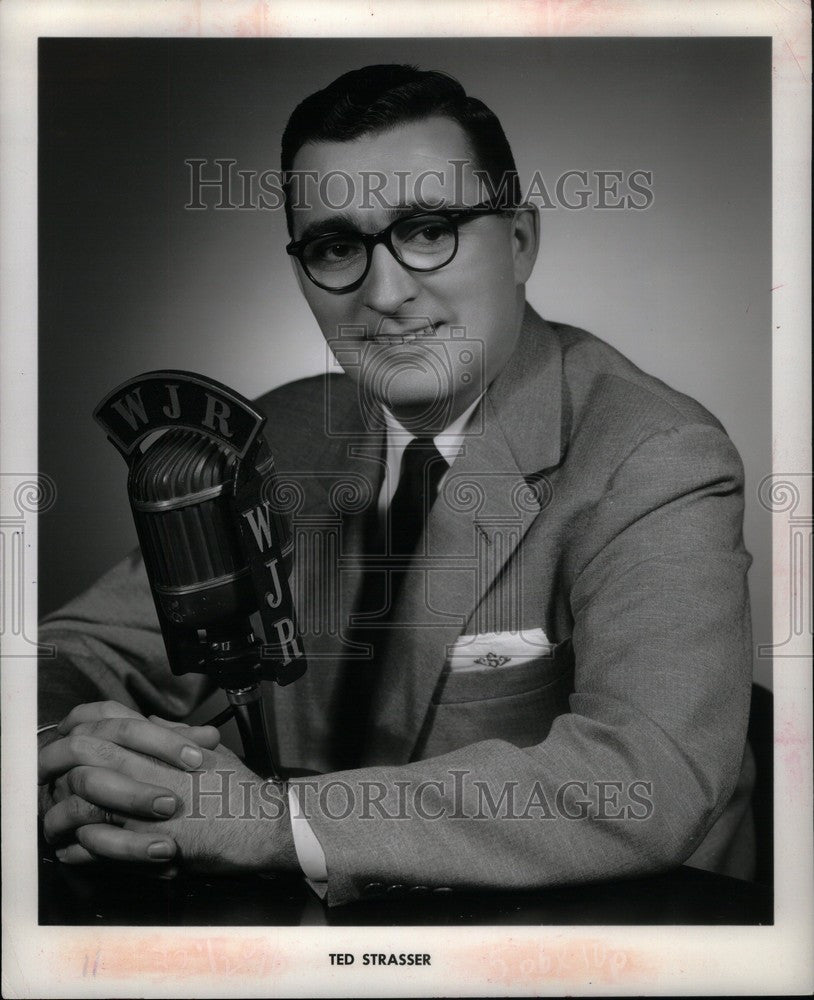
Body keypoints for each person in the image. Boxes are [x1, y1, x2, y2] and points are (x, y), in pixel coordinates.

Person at [37, 65, 756, 907]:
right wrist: (69, 760)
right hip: (316, 947)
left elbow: (648, 776)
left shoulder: (654, 454)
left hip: (602, 942)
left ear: (520, 240)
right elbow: (83, 649)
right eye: (337, 246)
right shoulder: (283, 437)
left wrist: (272, 822)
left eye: (427, 230)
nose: (385, 292)